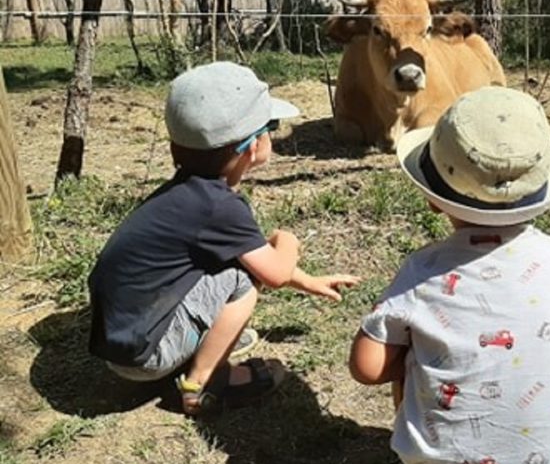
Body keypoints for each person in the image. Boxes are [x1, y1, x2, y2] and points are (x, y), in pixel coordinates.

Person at [349, 86, 550, 464]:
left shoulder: (423, 269)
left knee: (410, 347)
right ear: (543, 190)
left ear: (434, 198)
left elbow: (367, 367)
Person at [88, 62, 359, 415]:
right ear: (250, 148)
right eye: (270, 128)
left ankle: (199, 343)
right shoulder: (218, 208)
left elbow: (250, 256)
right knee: (242, 280)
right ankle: (204, 382)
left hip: (120, 343)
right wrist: (286, 238)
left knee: (237, 265)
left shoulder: (186, 194)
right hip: (145, 357)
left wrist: (308, 281)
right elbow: (272, 273)